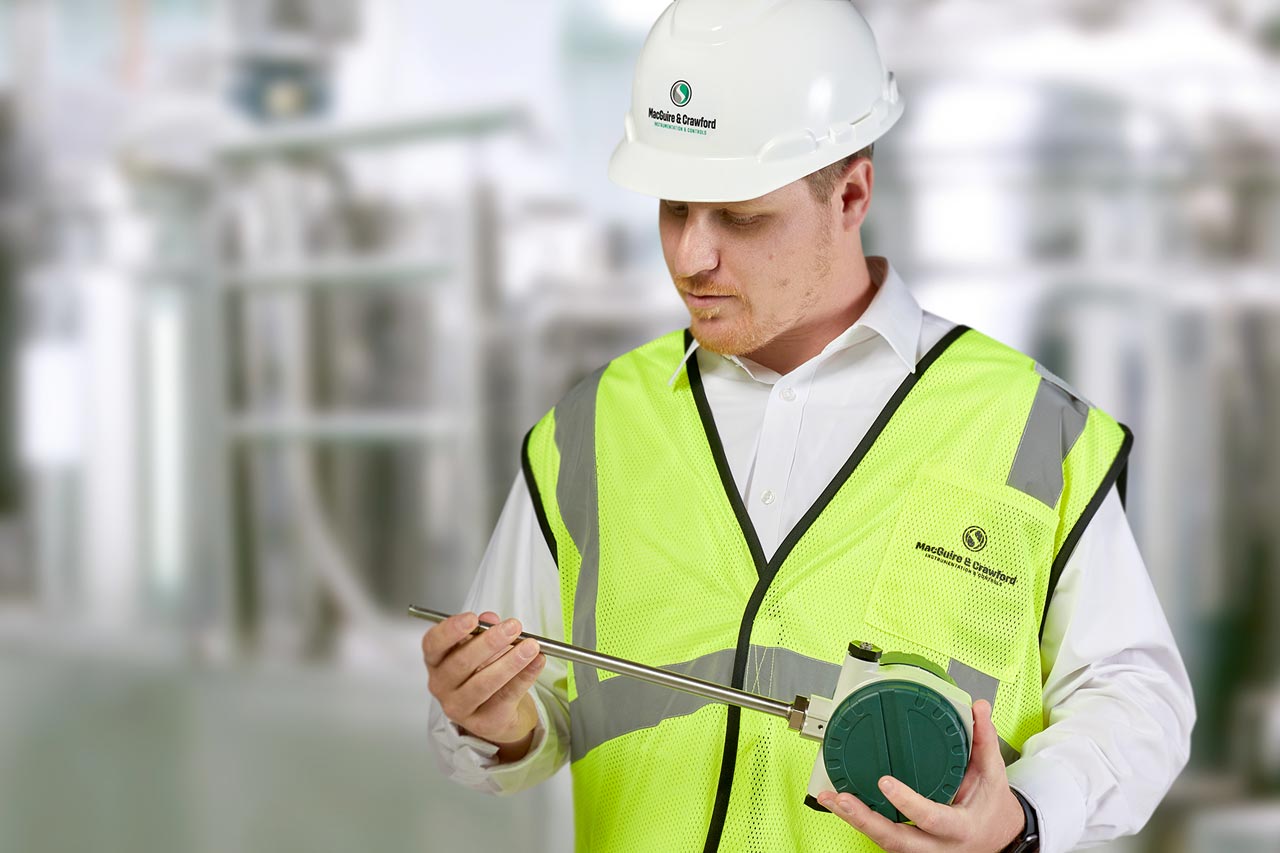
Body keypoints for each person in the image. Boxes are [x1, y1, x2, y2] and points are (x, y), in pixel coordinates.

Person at [423, 2, 1195, 851]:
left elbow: (1136, 694)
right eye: (674, 208)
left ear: (852, 192)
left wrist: (1027, 813)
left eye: (741, 216)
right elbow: (533, 715)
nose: (691, 256)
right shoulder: (588, 429)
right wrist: (497, 720)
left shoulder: (1030, 425)